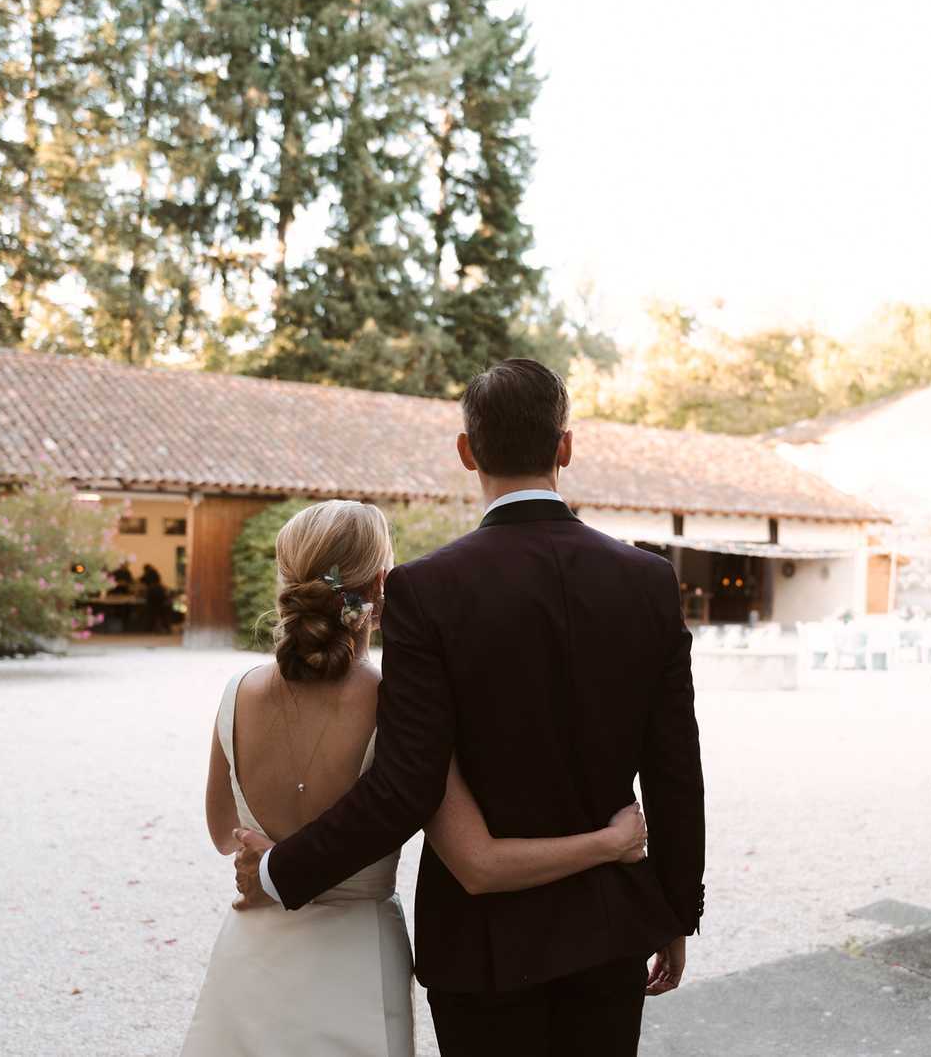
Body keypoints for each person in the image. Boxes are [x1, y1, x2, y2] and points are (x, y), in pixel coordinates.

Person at [231, 358, 706, 1057]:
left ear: (466, 451)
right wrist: (674, 908)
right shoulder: (648, 582)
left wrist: (279, 869)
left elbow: (406, 785)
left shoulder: (426, 590)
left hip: (483, 949)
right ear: (565, 447)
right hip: (609, 926)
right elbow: (676, 769)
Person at [182, 500, 650, 1057]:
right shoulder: (397, 705)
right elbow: (478, 861)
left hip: (251, 958)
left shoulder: (236, 694)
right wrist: (610, 842)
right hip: (354, 965)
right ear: (381, 586)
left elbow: (221, 832)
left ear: (286, 582)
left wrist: (272, 859)